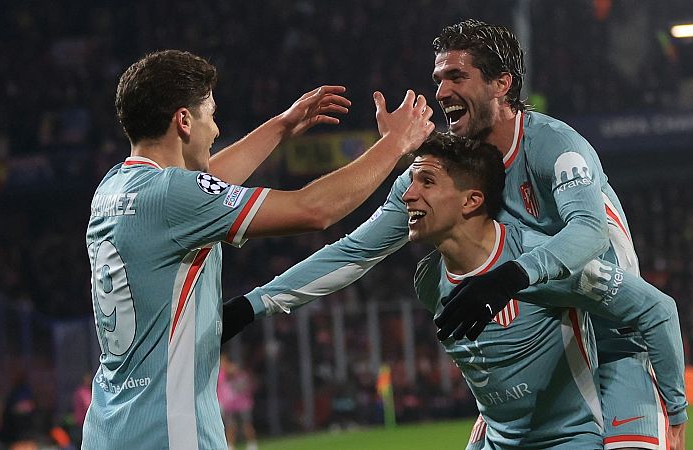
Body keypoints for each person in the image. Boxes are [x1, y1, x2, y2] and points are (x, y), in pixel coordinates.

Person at [222, 20, 686, 450]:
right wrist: (253, 304)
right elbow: (355, 251)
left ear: (501, 83)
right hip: (548, 360)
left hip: (618, 340)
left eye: (456, 77)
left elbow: (589, 231)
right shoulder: (441, 175)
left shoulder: (555, 148)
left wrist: (507, 278)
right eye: (438, 77)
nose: (441, 90)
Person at [82, 49, 434, 450]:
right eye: (210, 115)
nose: (215, 131)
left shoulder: (113, 188)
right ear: (183, 121)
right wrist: (393, 144)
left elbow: (207, 184)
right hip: (168, 433)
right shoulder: (173, 196)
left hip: (108, 428)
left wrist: (282, 126)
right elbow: (313, 209)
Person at [406, 132, 684, 448]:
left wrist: (675, 412)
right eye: (412, 181)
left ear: (471, 200)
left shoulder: (541, 264)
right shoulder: (428, 279)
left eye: (426, 182)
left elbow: (656, 309)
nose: (408, 195)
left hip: (566, 440)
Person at [217, 354, 257, 450]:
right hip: (228, 405)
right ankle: (230, 446)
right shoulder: (220, 373)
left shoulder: (236, 370)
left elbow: (233, 372)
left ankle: (252, 445)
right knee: (230, 426)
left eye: (223, 361)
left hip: (242, 403)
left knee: (247, 424)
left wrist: (230, 368)